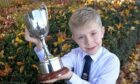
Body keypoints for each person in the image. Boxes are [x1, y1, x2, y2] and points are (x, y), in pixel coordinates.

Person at [25, 7, 120, 84]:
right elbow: (54, 69)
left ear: (102, 32)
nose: (89, 42)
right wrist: (39, 43)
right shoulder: (75, 54)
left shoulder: (111, 61)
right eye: (81, 37)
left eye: (93, 33)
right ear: (74, 38)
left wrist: (71, 76)